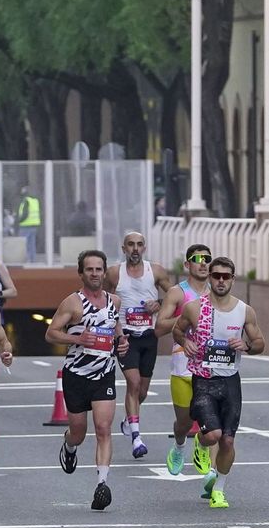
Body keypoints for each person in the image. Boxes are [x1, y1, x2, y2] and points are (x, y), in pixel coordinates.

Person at [174, 256, 264, 511]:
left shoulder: (244, 310)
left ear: (233, 279)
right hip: (203, 379)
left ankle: (219, 489)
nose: (221, 281)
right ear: (210, 278)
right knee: (212, 435)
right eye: (217, 276)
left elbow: (260, 343)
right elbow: (178, 330)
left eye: (226, 276)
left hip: (230, 381)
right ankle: (201, 443)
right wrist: (185, 342)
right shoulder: (195, 308)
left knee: (227, 441)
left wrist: (246, 345)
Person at [47, 250, 128, 511]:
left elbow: (117, 333)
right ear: (81, 273)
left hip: (104, 373)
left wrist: (121, 344)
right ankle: (69, 446)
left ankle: (102, 484)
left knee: (104, 429)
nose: (95, 274)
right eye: (90, 269)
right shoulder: (73, 303)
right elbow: (51, 333)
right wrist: (77, 339)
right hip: (76, 375)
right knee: (79, 433)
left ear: (105, 272)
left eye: (99, 269)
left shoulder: (114, 301)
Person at [106, 231, 173, 462]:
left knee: (141, 391)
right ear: (124, 248)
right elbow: (102, 299)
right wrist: (111, 330)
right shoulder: (115, 273)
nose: (135, 249)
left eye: (139, 245)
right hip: (125, 337)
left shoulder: (155, 271)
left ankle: (128, 419)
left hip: (149, 335)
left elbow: (176, 298)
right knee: (132, 383)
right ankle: (136, 437)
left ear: (144, 248)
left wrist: (160, 303)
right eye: (131, 245)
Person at [156, 244, 214, 477]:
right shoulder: (177, 293)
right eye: (197, 259)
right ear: (187, 264)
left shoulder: (217, 292)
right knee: (184, 421)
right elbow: (160, 326)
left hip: (211, 367)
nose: (203, 263)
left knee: (211, 423)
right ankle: (179, 446)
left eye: (207, 259)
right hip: (182, 367)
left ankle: (206, 460)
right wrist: (185, 317)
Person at [16, 186, 42, 262]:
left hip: (25, 225)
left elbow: (25, 214)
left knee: (24, 244)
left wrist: (19, 220)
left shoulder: (26, 201)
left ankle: (25, 259)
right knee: (32, 244)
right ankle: (32, 259)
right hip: (34, 226)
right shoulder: (35, 201)